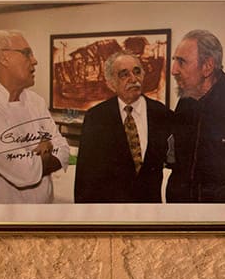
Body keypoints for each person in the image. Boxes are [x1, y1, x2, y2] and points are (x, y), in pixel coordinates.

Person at [0, 30, 70, 204]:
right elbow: (25, 173)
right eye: (27, 53)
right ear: (4, 58)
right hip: (3, 222)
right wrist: (46, 149)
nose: (35, 60)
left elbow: (64, 149)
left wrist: (37, 156)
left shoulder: (36, 101)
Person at [74, 52, 172, 203]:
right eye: (124, 74)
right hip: (112, 215)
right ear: (111, 83)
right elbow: (84, 177)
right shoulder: (96, 118)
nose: (133, 79)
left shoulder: (162, 114)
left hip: (150, 214)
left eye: (137, 71)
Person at [165, 29, 225, 203]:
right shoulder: (185, 103)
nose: (174, 70)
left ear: (207, 66)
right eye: (174, 61)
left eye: (181, 62)